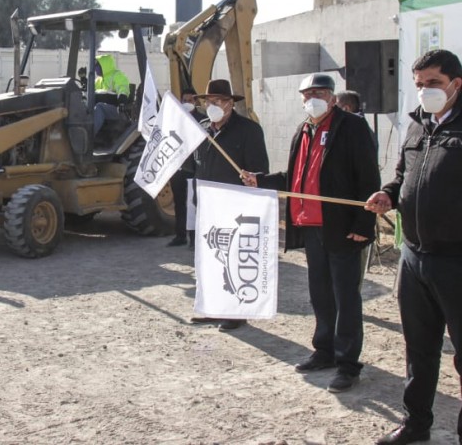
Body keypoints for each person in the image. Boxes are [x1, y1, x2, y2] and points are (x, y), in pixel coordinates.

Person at [242, 73, 380, 392]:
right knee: (320, 292)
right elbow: (296, 176)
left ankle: (348, 364)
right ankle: (324, 349)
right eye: (306, 94)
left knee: (346, 296)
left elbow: (368, 177)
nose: (311, 99)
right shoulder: (303, 130)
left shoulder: (352, 127)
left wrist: (363, 224)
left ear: (332, 97)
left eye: (318, 93)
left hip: (343, 227)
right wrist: (260, 180)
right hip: (311, 226)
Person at [366, 49, 462, 445]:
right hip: (414, 256)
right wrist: (388, 194)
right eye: (420, 85)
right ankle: (415, 423)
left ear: (456, 84)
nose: (425, 92)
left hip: (457, 260)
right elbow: (403, 175)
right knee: (418, 350)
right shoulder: (417, 126)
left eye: (434, 84)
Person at [190, 79, 269, 331]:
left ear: (230, 104)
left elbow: (259, 170)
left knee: (233, 261)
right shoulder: (203, 130)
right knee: (210, 259)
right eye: (208, 101)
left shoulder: (248, 130)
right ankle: (212, 307)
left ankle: (235, 312)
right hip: (207, 203)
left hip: (236, 205)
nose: (212, 105)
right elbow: (196, 165)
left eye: (218, 101)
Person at [167, 88, 202, 247]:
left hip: (195, 169)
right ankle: (180, 235)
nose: (187, 103)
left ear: (195, 102)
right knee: (179, 204)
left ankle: (195, 240)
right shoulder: (176, 120)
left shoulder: (203, 120)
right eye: (184, 100)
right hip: (179, 168)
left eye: (190, 100)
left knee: (194, 204)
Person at [93, 54, 130, 136]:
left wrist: (122, 100)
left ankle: (88, 136)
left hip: (117, 110)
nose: (95, 69)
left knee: (100, 107)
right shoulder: (99, 80)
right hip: (104, 109)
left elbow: (123, 88)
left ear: (103, 65)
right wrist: (84, 80)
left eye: (97, 66)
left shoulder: (117, 75)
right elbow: (91, 91)